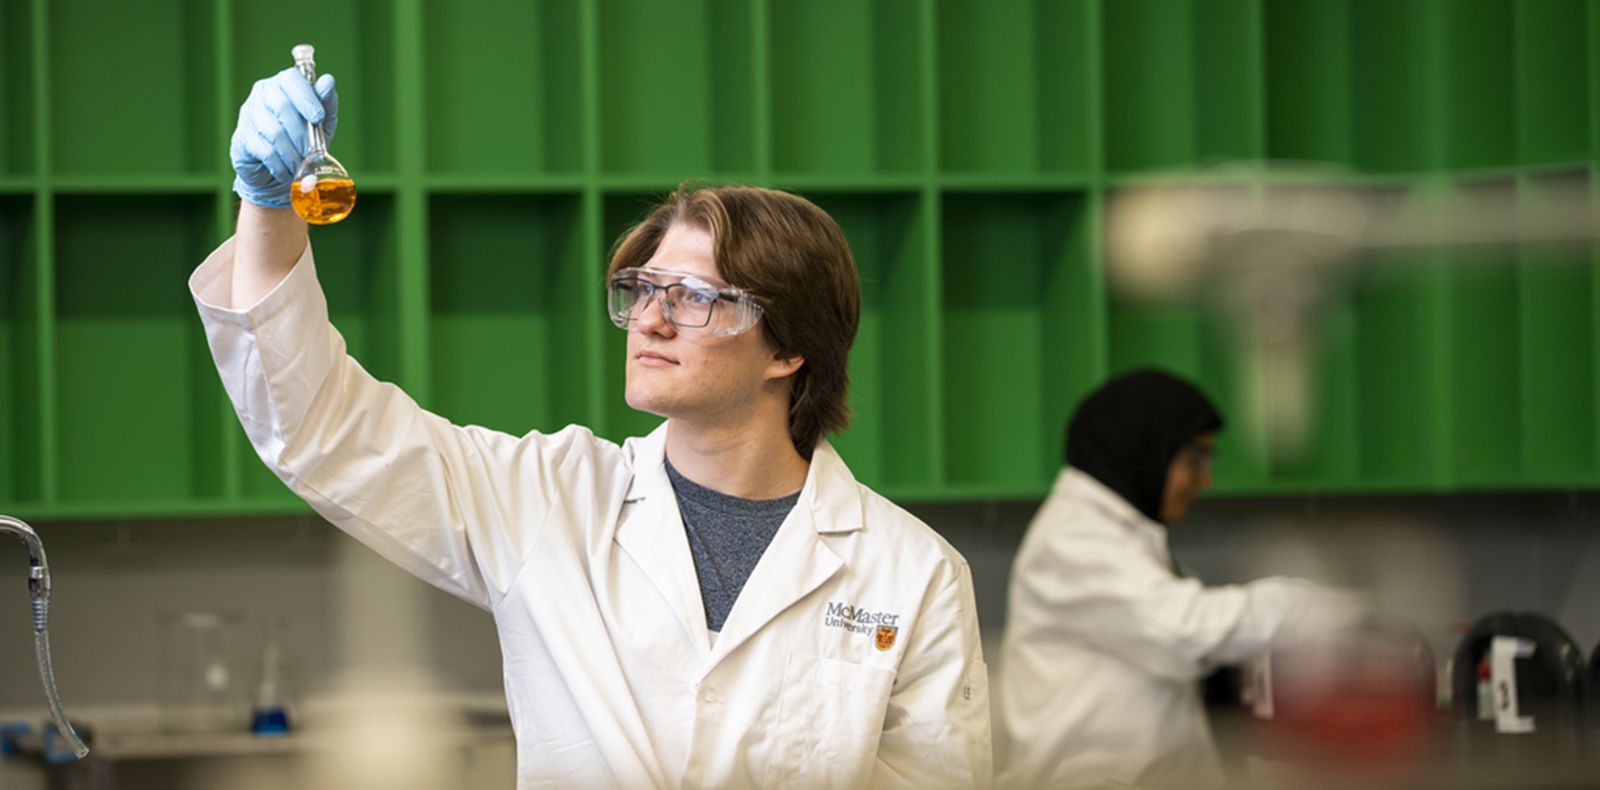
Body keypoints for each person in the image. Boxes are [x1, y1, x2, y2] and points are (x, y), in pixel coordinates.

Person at [192, 66, 991, 789]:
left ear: (788, 347)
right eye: (644, 289)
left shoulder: (913, 576)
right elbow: (323, 430)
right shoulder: (547, 500)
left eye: (693, 297)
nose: (651, 319)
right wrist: (268, 211)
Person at [994, 368, 1351, 790]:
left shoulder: (1124, 537)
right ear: (1146, 449)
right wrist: (1311, 604)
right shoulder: (1073, 541)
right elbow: (1185, 631)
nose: (1205, 479)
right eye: (1194, 460)